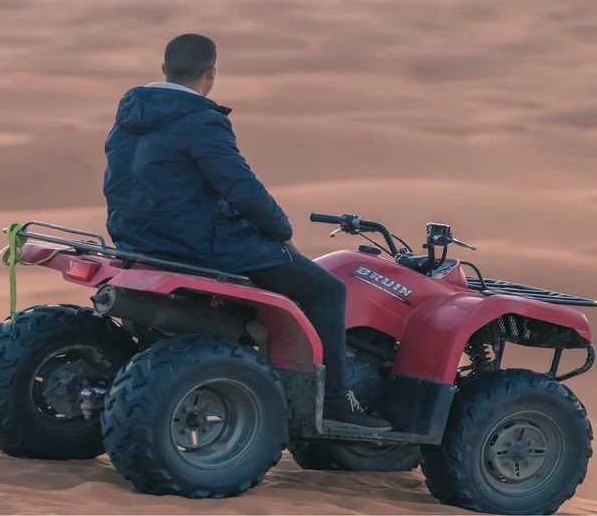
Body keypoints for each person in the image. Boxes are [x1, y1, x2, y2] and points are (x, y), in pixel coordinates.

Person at [102, 33, 390, 431]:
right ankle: (335, 401)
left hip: (134, 240)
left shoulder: (128, 118)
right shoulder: (200, 120)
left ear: (164, 69)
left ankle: (256, 342)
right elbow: (240, 187)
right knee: (327, 290)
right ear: (212, 73)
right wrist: (281, 231)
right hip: (200, 245)